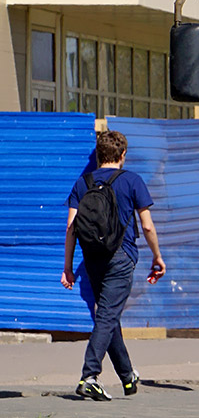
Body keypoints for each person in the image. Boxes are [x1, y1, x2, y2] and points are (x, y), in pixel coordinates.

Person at [61, 130, 165, 401]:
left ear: (98, 155)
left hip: (92, 258)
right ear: (122, 155)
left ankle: (127, 376)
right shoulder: (131, 180)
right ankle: (89, 376)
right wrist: (157, 256)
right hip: (122, 256)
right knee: (107, 314)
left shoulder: (82, 183)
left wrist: (68, 267)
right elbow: (147, 225)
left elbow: (71, 229)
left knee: (108, 314)